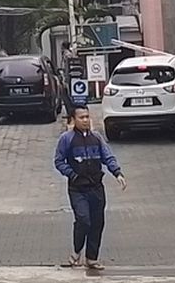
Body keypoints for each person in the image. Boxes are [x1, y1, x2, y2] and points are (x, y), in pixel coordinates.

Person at [54, 105, 127, 271]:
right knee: (83, 220)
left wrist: (117, 173)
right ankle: (76, 250)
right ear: (73, 120)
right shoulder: (67, 139)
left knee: (97, 223)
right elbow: (58, 161)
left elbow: (107, 156)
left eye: (87, 117)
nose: (86, 120)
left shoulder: (96, 138)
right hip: (78, 189)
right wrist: (72, 174)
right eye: (82, 117)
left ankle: (92, 258)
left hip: (96, 187)